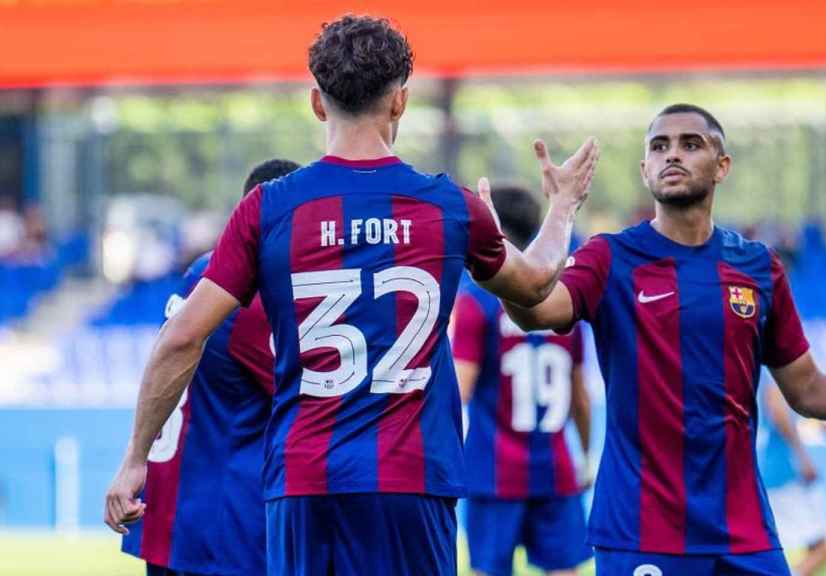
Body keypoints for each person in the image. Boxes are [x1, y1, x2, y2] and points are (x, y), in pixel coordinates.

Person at [105, 14, 599, 576]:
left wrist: (134, 459)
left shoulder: (268, 208)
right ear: (400, 103)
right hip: (411, 481)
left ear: (317, 103)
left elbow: (182, 337)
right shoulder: (449, 207)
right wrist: (561, 209)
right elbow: (537, 284)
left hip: (303, 480)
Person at [503, 103, 826, 576]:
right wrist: (561, 209)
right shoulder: (611, 258)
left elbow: (805, 389)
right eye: (659, 147)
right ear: (644, 170)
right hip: (643, 532)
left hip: (744, 534)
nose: (671, 155)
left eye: (690, 144)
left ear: (722, 166)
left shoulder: (758, 266)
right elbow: (533, 306)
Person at [120, 158, 298, 576]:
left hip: (173, 513)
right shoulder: (253, 291)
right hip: (224, 526)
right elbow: (311, 395)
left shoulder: (205, 272)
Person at [452, 185, 593, 576]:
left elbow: (458, 389)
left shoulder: (476, 301)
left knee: (488, 569)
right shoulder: (559, 300)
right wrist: (582, 455)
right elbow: (580, 395)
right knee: (564, 570)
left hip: (493, 470)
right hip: (555, 465)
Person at [758, 375, 826, 576]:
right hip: (783, 473)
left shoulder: (752, 369)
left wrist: (823, 424)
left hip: (766, 472)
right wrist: (802, 457)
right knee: (820, 550)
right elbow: (778, 412)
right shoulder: (771, 370)